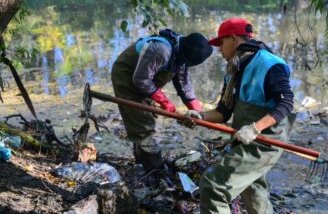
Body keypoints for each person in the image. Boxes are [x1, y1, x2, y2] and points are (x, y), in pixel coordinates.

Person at [183, 18, 295, 213]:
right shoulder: (234, 70)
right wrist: (199, 116)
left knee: (213, 186)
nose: (219, 49)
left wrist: (255, 128)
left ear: (233, 39)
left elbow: (286, 103)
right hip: (244, 136)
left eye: (221, 42)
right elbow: (223, 112)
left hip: (266, 140)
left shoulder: (269, 63)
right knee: (253, 190)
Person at [111, 29, 212, 172]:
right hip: (127, 76)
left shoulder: (182, 53)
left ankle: (140, 163)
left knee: (144, 118)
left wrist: (199, 111)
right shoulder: (161, 50)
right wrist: (165, 102)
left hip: (145, 79)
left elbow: (184, 83)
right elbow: (141, 80)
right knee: (143, 123)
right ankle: (154, 168)